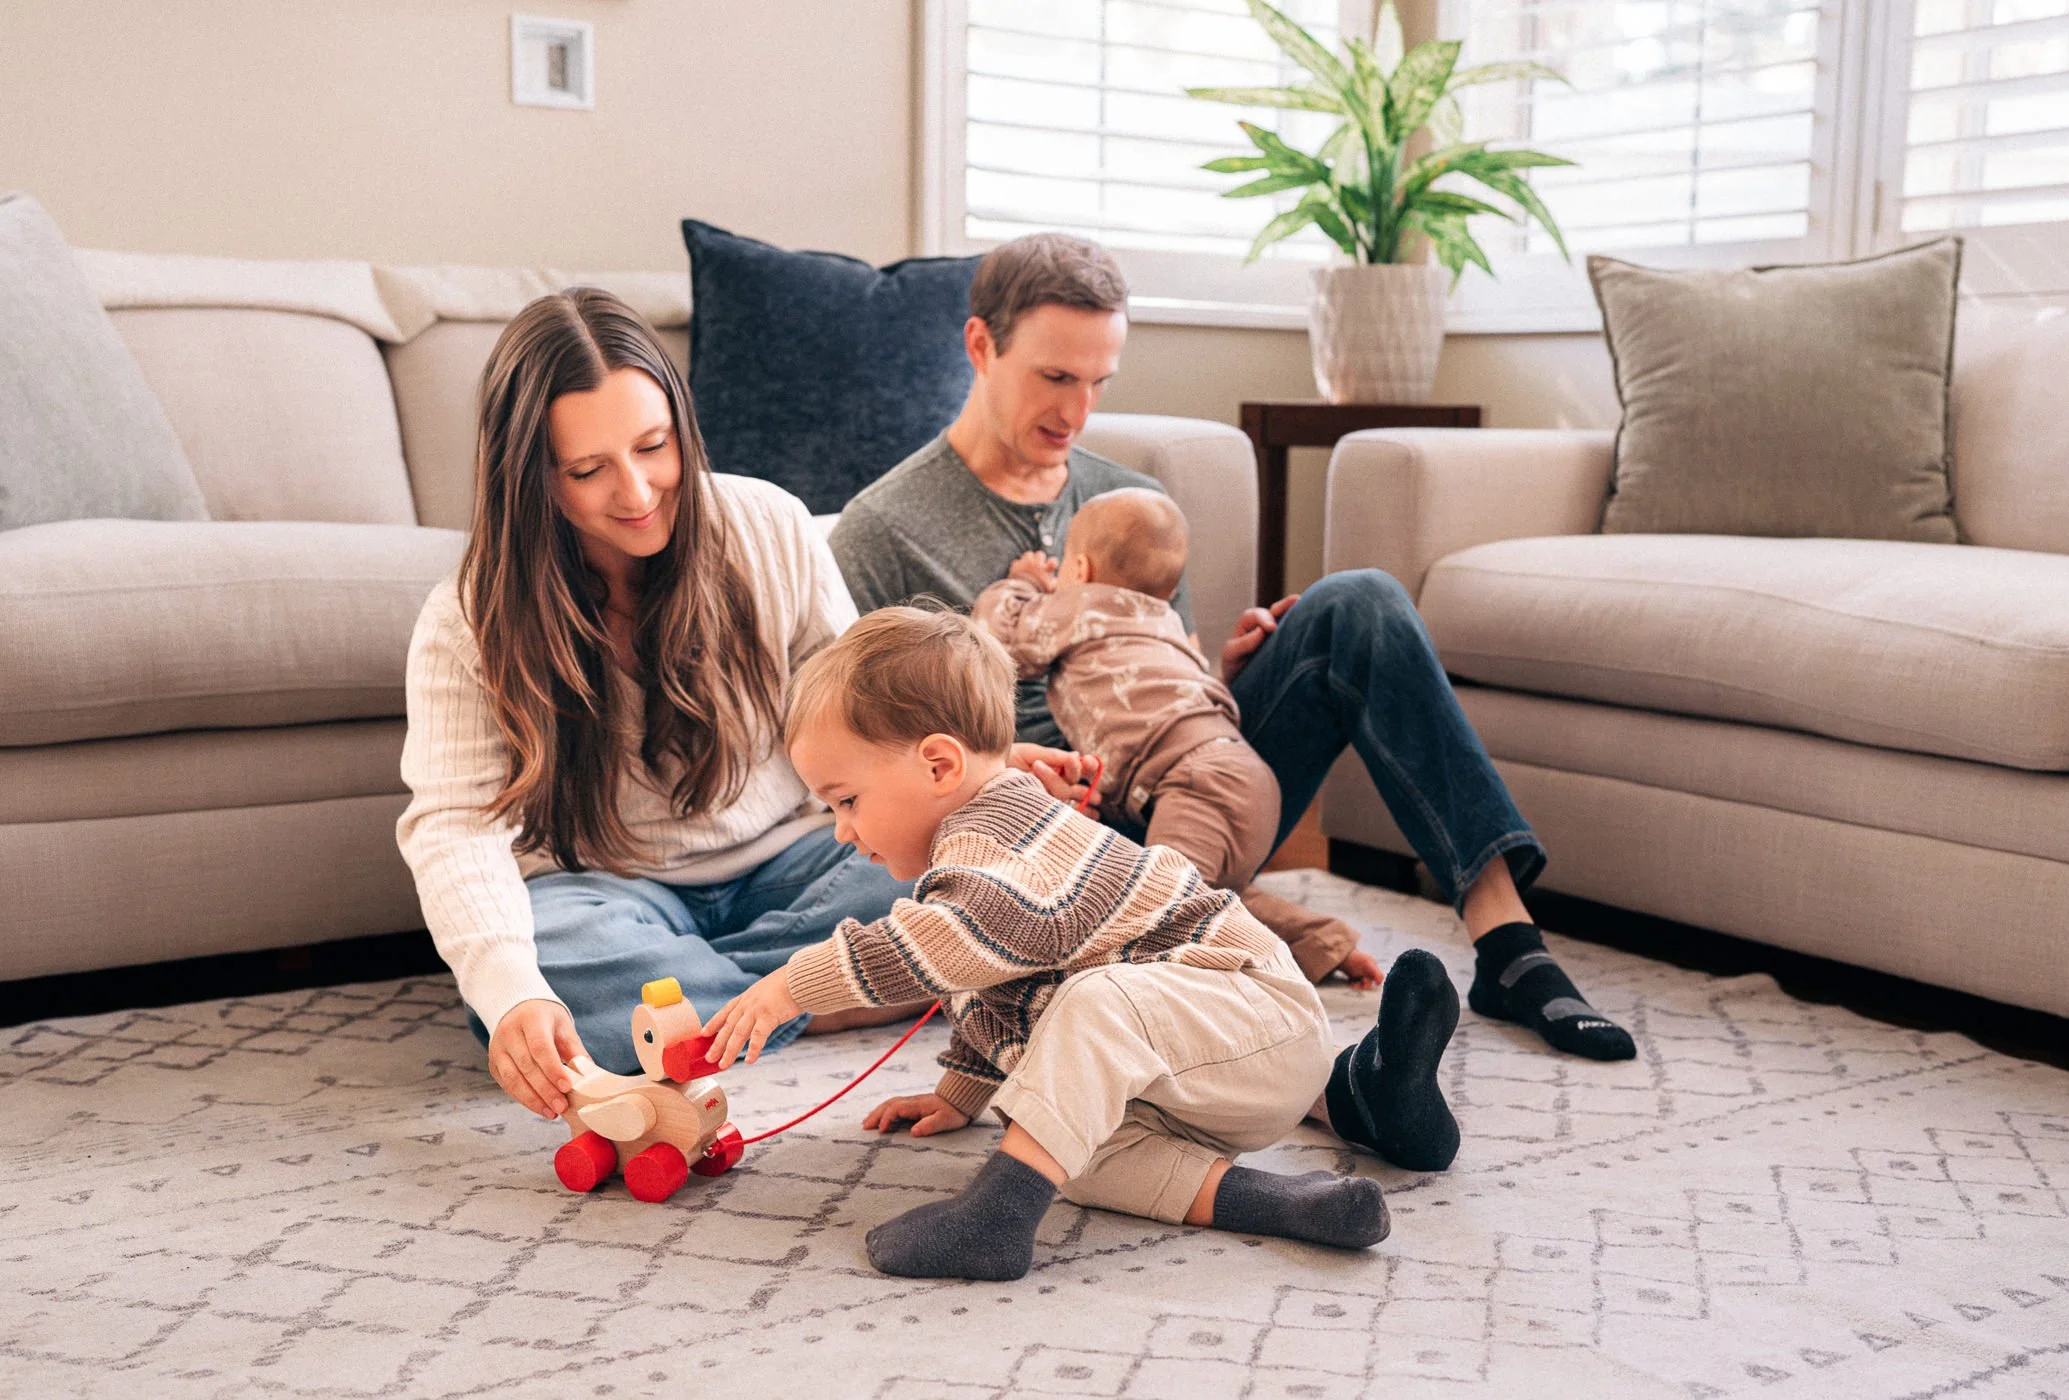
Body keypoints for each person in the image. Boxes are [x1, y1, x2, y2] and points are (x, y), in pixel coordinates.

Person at [828, 233, 1636, 1063]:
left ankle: (1506, 943)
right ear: (980, 345)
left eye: (1099, 382)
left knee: (1360, 602)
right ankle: (1223, 979)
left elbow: (1143, 677)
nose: (1076, 413)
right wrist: (1009, 766)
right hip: (1040, 841)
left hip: (1187, 786)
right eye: (1057, 378)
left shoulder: (1126, 501)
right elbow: (868, 751)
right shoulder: (882, 530)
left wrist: (1222, 678)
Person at [394, 288, 1101, 1123]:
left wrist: (975, 772)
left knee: (973, 880)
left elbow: (867, 710)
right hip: (601, 893)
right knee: (535, 976)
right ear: (531, 476)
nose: (636, 491)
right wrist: (513, 991)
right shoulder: (467, 616)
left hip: (798, 858)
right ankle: (842, 988)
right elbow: (455, 825)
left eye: (654, 447)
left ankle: (716, 1008)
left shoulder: (768, 523)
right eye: (588, 470)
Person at [702, 608, 1465, 1282]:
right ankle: (1318, 1172)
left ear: (938, 765)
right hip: (1197, 1065)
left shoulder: (1001, 835)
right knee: (1073, 1142)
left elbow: (975, 941)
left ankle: (996, 1222)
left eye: (847, 802)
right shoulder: (970, 867)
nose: (843, 830)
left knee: (1096, 1006)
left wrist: (795, 984)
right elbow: (1004, 997)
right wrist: (961, 1093)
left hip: (1250, 1008)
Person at [972, 487, 1380, 989]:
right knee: (1190, 892)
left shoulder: (1082, 608)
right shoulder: (1164, 623)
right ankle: (1324, 944)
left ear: (1078, 571)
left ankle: (1196, 995)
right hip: (1238, 772)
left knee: (1158, 907)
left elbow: (1000, 638)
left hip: (1195, 780)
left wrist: (1021, 584)